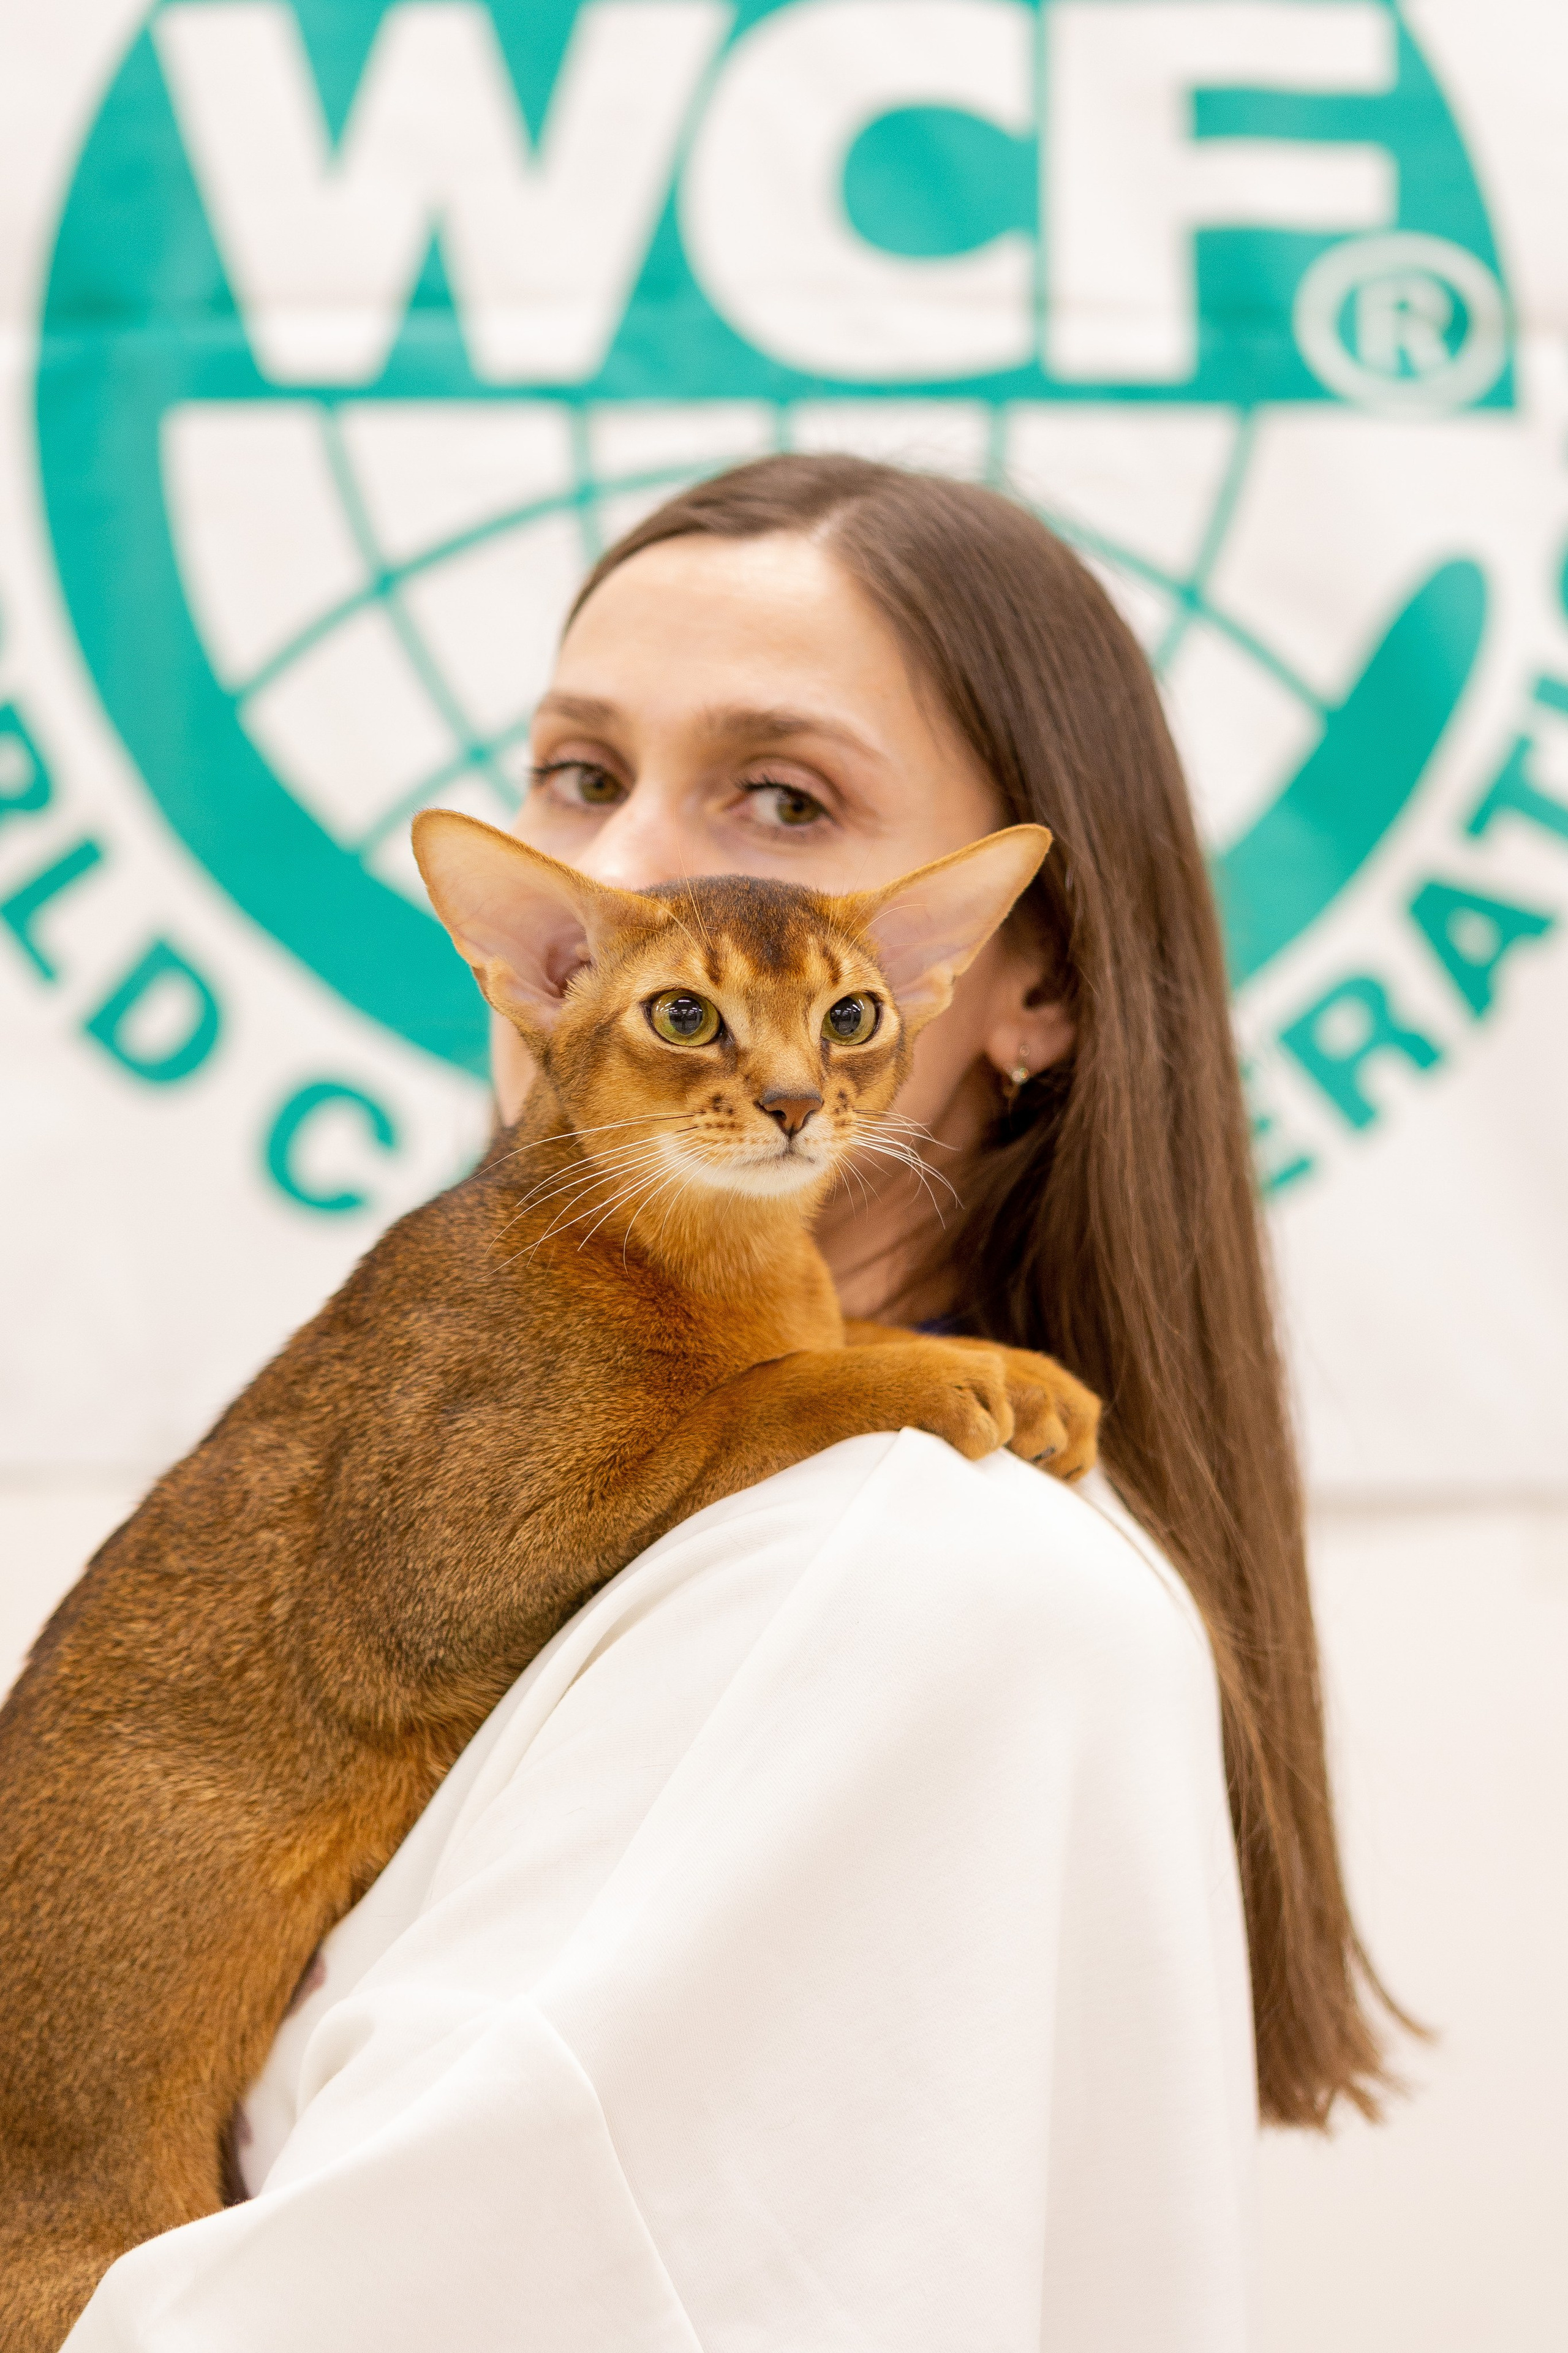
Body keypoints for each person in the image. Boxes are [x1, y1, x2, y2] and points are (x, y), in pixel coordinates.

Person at [67, 458, 1397, 2349]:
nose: (624, 888)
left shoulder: (904, 1567)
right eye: (582, 779)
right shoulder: (713, 1507)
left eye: (783, 797)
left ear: (1020, 982)